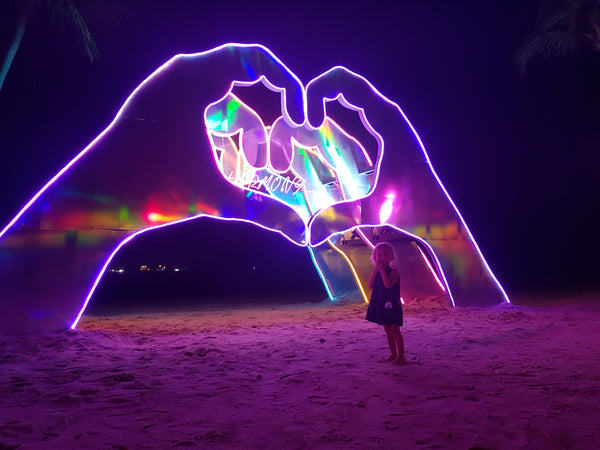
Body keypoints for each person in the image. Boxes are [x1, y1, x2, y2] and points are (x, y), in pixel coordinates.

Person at [365, 242, 406, 364]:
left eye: (386, 255)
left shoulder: (394, 272)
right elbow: (370, 285)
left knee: (395, 329)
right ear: (375, 257)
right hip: (380, 303)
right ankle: (393, 354)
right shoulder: (377, 271)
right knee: (387, 329)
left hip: (392, 304)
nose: (382, 258)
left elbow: (388, 285)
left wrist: (382, 270)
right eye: (379, 255)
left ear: (392, 257)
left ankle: (401, 356)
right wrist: (376, 269)